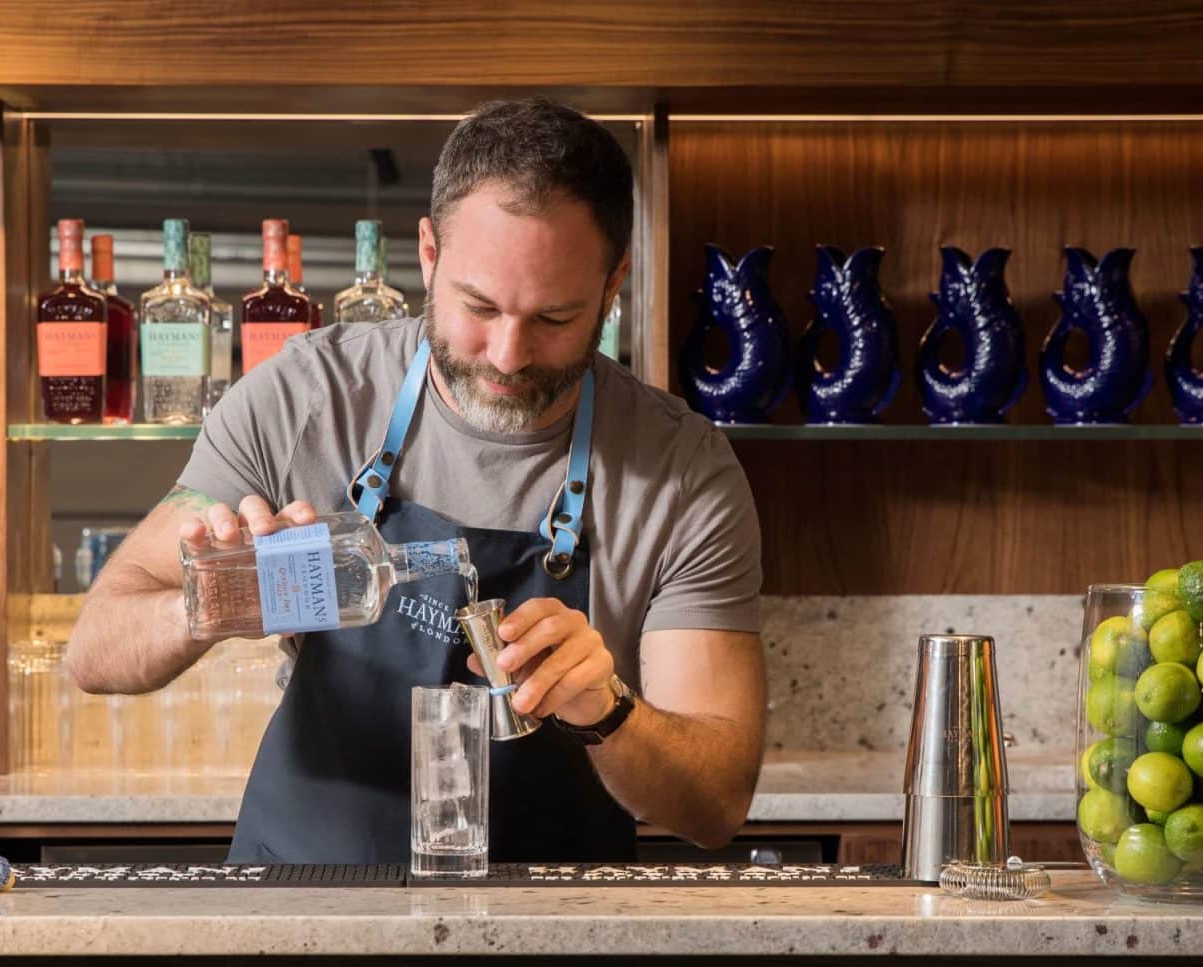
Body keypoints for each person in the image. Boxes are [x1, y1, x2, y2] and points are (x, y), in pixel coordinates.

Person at [67, 97, 765, 863]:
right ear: (428, 254)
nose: (507, 353)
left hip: (554, 946)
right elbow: (95, 648)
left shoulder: (682, 472)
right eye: (479, 306)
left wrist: (608, 710)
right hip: (303, 917)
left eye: (555, 318)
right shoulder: (305, 399)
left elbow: (715, 803)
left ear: (613, 283)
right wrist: (218, 600)